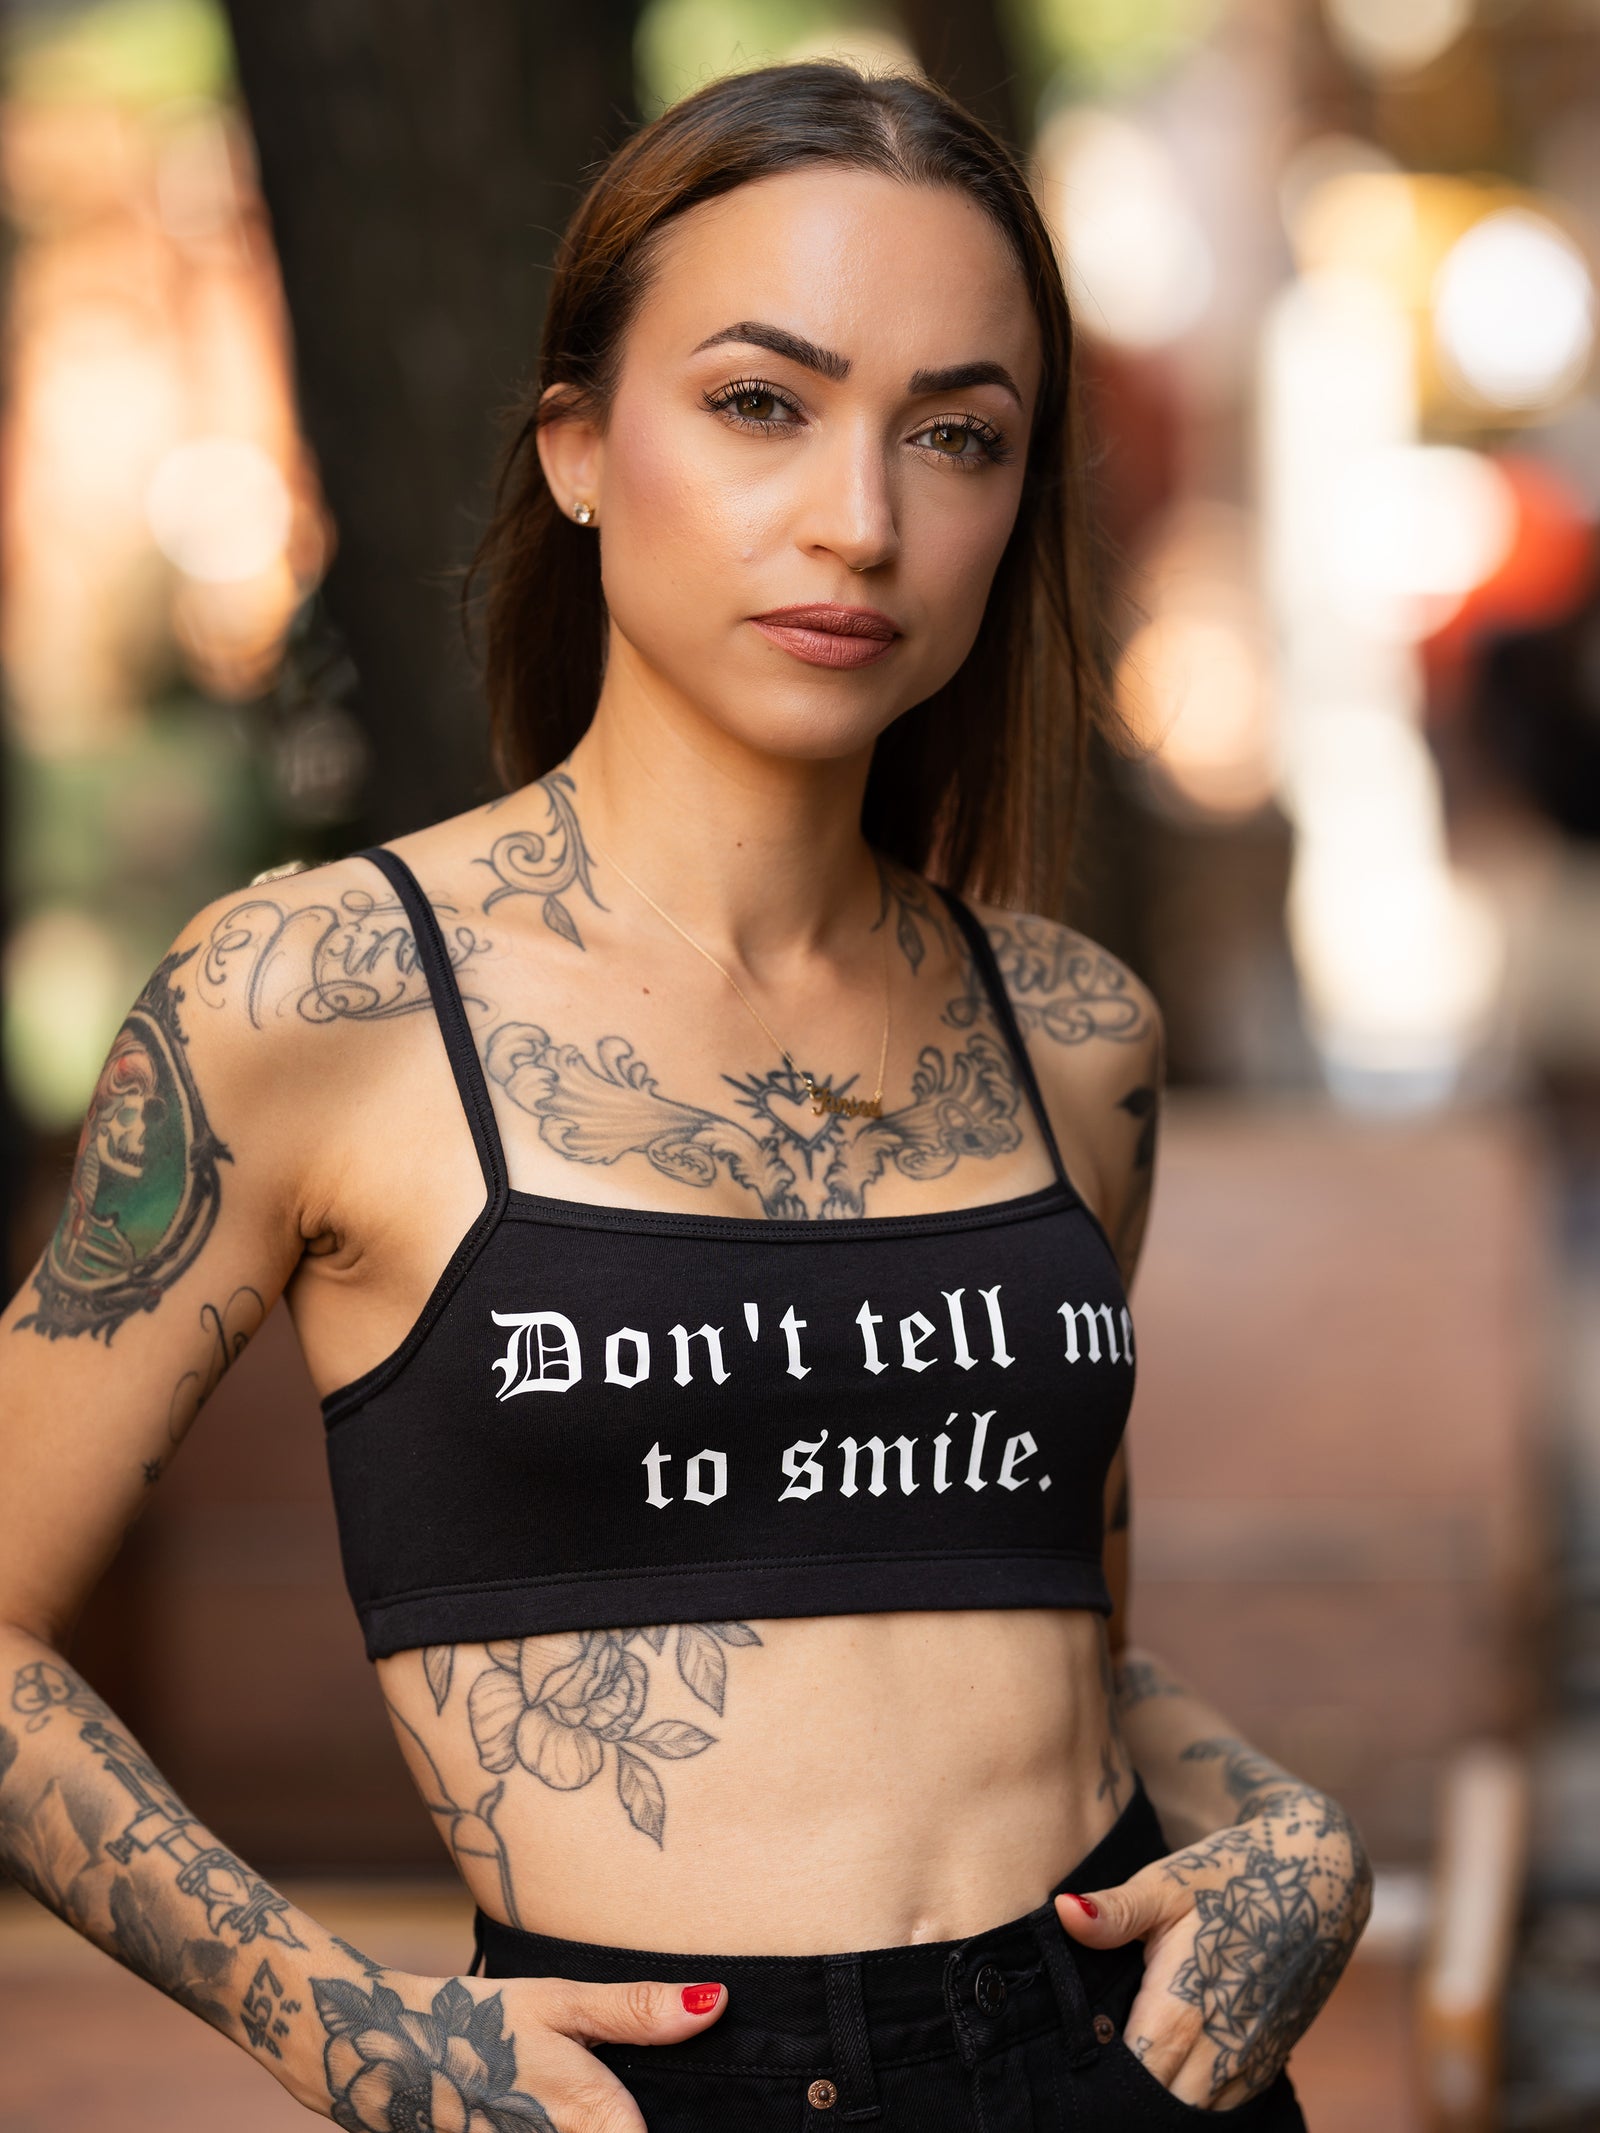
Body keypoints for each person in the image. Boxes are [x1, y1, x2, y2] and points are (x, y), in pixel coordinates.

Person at [0, 61, 1370, 2130]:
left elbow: (1031, 1623)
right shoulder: (316, 994)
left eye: (957, 434)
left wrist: (1289, 1830)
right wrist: (348, 2031)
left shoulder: (1072, 1033)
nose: (858, 516)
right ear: (574, 447)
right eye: (759, 401)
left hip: (1129, 2064)